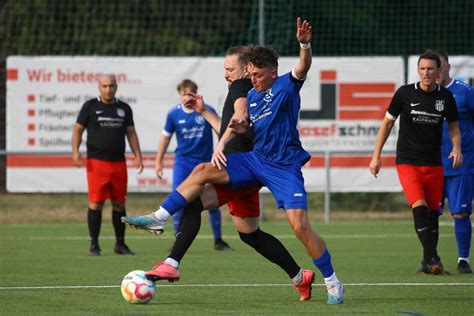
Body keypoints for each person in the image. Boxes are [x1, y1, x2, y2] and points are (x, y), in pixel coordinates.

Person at [123, 18, 345, 304]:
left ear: (273, 73)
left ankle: (332, 281)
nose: (250, 79)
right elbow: (239, 123)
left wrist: (304, 44)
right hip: (254, 161)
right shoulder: (252, 94)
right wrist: (231, 134)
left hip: (283, 166)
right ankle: (160, 220)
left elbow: (303, 66)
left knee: (299, 226)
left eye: (255, 73)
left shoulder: (285, 86)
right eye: (249, 74)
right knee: (213, 190)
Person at [369, 50, 463, 274]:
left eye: (430, 69)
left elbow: (453, 126)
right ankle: (433, 258)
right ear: (418, 70)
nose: (426, 73)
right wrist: (376, 156)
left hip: (434, 163)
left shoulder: (445, 98)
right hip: (408, 161)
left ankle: (426, 262)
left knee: (433, 213)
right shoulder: (404, 94)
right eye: (422, 69)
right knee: (418, 207)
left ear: (439, 71)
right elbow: (387, 124)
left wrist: (457, 148)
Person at [72, 74, 143, 256]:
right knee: (96, 203)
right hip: (97, 163)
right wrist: (75, 151)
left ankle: (120, 244)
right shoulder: (90, 107)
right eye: (104, 86)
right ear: (99, 87)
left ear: (116, 87)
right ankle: (94, 245)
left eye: (111, 86)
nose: (108, 89)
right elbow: (78, 129)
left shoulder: (124, 108)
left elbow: (131, 133)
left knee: (119, 204)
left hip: (119, 163)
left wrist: (137, 155)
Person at [156, 79, 231, 251]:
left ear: (196, 94)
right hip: (183, 163)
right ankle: (178, 240)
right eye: (183, 94)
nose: (186, 97)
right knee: (178, 200)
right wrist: (158, 161)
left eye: (190, 94)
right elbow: (165, 138)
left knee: (212, 200)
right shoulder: (173, 114)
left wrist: (223, 151)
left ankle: (218, 240)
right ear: (179, 95)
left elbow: (222, 132)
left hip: (205, 163)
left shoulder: (206, 111)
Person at [436, 51, 474, 274]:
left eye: (439, 67)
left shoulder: (465, 93)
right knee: (429, 213)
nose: (436, 72)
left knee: (460, 212)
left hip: (462, 164)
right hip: (432, 163)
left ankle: (463, 259)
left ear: (448, 67)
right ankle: (431, 258)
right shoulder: (425, 94)